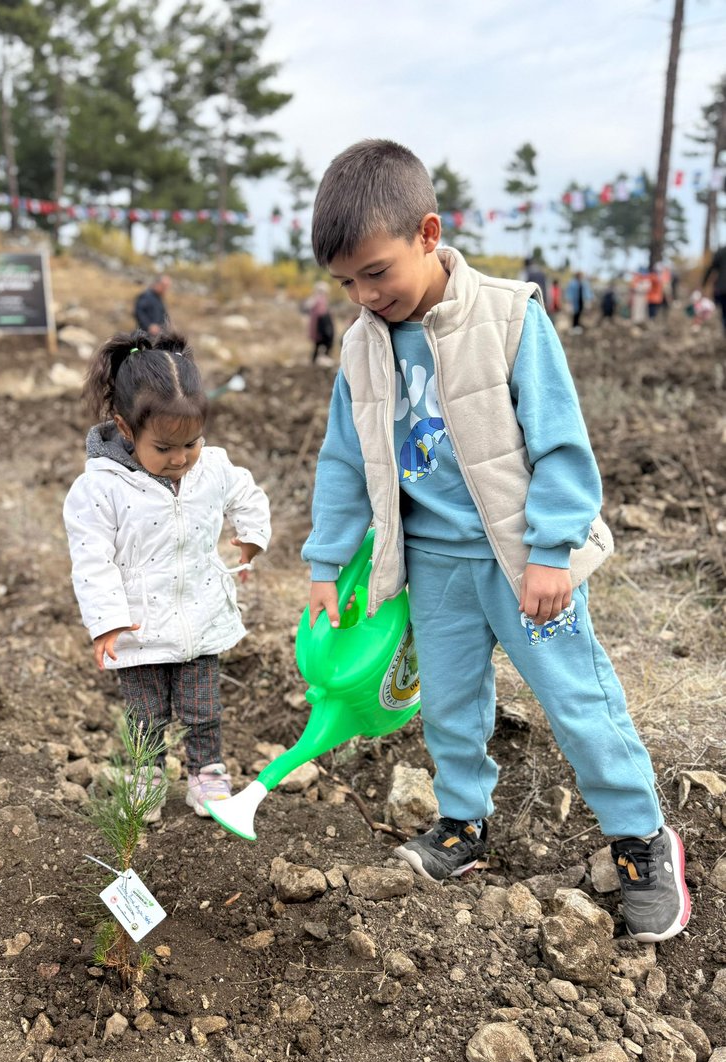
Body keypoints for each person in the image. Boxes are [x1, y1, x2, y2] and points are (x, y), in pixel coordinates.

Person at [301, 138, 691, 944]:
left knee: (576, 700)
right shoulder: (360, 347)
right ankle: (462, 826)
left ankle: (642, 839)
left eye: (377, 273)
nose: (365, 296)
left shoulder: (510, 316)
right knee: (447, 705)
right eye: (346, 283)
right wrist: (324, 559)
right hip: (433, 566)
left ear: (428, 234)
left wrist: (550, 551)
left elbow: (560, 444)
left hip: (523, 564)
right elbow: (344, 458)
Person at [63, 329, 271, 822]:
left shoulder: (212, 468)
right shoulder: (101, 489)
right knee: (145, 716)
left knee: (203, 710)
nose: (179, 459)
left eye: (191, 444)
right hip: (136, 628)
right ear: (126, 428)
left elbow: (248, 495)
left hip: (200, 617)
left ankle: (206, 776)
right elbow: (92, 558)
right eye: (165, 447)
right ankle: (146, 777)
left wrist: (251, 535)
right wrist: (107, 621)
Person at [305, 281, 335, 362]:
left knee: (317, 345)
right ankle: (318, 361)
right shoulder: (320, 301)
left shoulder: (314, 300)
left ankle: (314, 361)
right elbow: (322, 315)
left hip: (317, 328)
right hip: (321, 328)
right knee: (324, 344)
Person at [702, 245, 726, 334]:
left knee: (724, 313)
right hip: (722, 288)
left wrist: (703, 283)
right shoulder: (721, 252)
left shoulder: (721, 251)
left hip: (722, 289)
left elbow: (711, 268)